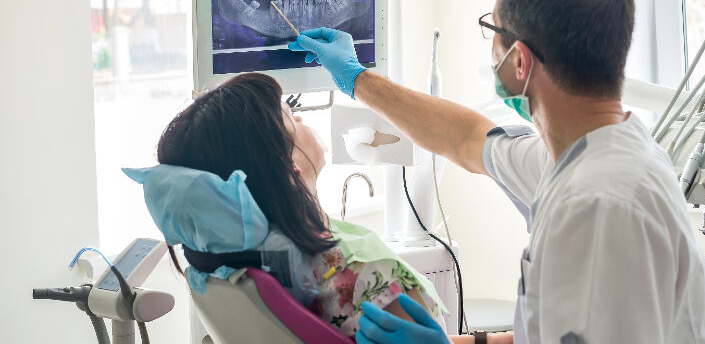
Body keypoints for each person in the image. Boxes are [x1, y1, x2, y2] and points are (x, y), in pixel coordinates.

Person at [288, 0, 705, 343]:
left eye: (491, 29)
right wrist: (355, 78)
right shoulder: (590, 153)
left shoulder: (596, 204)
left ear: (519, 61)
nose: (490, 49)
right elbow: (465, 137)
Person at [152, 72, 507, 342]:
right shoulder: (366, 277)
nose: (303, 119)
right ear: (290, 168)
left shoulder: (231, 268)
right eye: (291, 117)